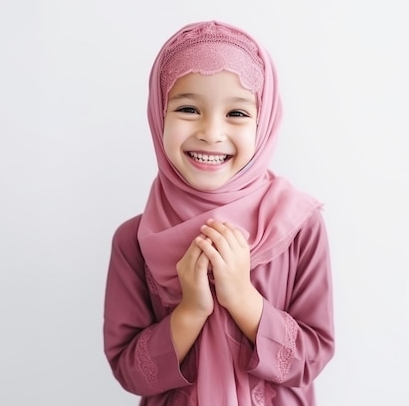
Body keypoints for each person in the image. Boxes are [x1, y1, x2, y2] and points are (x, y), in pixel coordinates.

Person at [103, 20, 335, 406]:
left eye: (238, 114)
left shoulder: (298, 226)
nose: (211, 132)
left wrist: (243, 298)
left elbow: (312, 357)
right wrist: (191, 311)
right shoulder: (134, 240)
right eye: (189, 108)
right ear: (159, 113)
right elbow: (128, 370)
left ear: (264, 123)